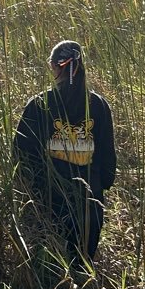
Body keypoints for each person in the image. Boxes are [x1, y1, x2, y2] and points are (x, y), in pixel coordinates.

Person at [14, 40, 116, 261]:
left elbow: (21, 153)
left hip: (49, 200)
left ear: (54, 66)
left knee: (51, 266)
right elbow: (107, 155)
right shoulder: (98, 105)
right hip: (89, 201)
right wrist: (101, 185)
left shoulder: (39, 104)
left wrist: (33, 189)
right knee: (82, 264)